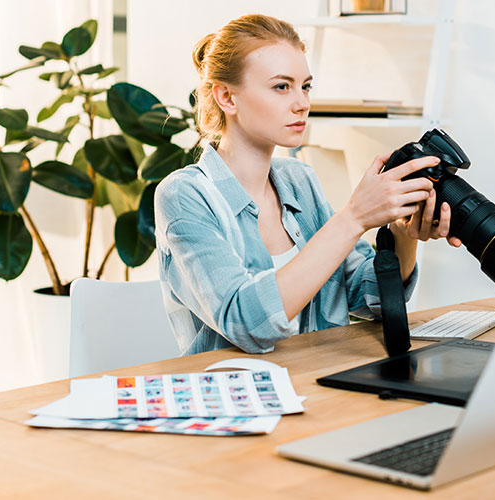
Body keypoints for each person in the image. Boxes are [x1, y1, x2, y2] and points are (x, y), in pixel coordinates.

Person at [154, 14, 460, 355]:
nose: (302, 102)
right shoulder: (184, 196)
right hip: (234, 395)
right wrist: (353, 218)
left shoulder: (299, 180)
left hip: (316, 382)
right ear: (227, 97)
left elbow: (368, 297)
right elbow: (246, 323)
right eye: (282, 86)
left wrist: (403, 235)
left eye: (306, 86)